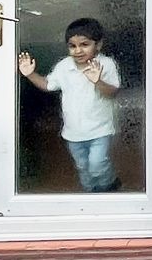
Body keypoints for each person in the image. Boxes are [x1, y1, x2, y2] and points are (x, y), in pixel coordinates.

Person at [18, 18, 123, 192]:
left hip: (100, 130)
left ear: (98, 45)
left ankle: (108, 186)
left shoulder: (106, 64)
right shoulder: (64, 66)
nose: (78, 50)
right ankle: (90, 192)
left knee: (97, 164)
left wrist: (97, 81)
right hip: (73, 132)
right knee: (82, 166)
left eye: (84, 44)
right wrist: (30, 74)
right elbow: (48, 85)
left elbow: (112, 92)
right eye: (72, 46)